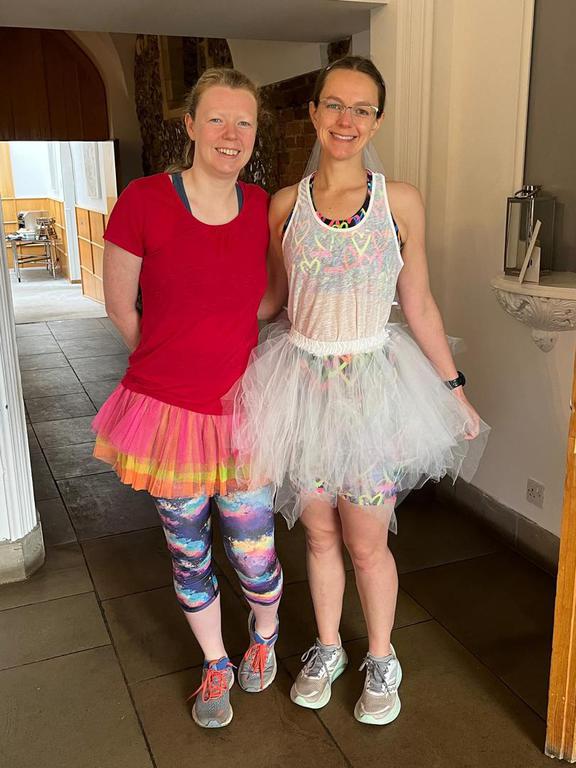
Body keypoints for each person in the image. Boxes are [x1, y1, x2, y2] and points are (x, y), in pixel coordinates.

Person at [232, 56, 488, 726]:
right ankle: (327, 648)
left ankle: (380, 656)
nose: (346, 120)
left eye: (362, 109)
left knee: (367, 540)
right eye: (334, 105)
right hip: (303, 386)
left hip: (373, 390)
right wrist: (200, 317)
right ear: (313, 112)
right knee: (318, 534)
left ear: (377, 121)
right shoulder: (284, 205)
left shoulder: (399, 201)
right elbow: (273, 301)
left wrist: (453, 389)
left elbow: (419, 303)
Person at [91, 68, 283, 729]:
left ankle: (264, 636)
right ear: (191, 125)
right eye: (218, 119)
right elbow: (121, 306)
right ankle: (216, 661)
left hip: (243, 413)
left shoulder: (261, 207)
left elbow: (271, 299)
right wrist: (169, 357)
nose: (231, 134)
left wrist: (227, 333)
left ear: (254, 133)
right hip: (167, 416)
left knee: (254, 550)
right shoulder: (144, 199)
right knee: (190, 551)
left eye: (244, 122)